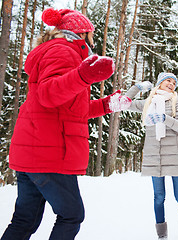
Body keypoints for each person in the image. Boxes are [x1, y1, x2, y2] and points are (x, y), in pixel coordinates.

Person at [1, 8, 131, 240]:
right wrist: (84, 76)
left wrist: (108, 104)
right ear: (81, 35)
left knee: (24, 221)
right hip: (49, 154)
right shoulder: (63, 51)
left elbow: (69, 109)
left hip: (34, 153)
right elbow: (49, 94)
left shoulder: (57, 51)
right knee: (71, 216)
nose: (93, 40)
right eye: (91, 35)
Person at [125, 73, 178, 240]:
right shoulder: (148, 103)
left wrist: (165, 118)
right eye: (168, 81)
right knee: (159, 197)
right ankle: (162, 235)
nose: (171, 84)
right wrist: (138, 88)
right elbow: (124, 103)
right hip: (154, 156)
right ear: (159, 83)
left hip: (174, 155)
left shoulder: (176, 101)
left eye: (174, 82)